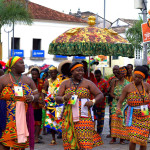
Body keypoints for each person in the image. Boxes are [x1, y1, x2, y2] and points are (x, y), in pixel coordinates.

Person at [56, 62, 104, 150]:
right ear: (72, 72)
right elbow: (57, 98)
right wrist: (64, 98)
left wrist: (93, 101)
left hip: (84, 117)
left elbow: (100, 94)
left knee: (85, 143)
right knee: (70, 143)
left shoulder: (87, 83)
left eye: (82, 71)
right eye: (78, 71)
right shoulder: (65, 83)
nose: (81, 73)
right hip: (69, 117)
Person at [0, 56, 39, 150]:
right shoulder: (3, 79)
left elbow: (37, 94)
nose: (23, 65)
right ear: (13, 66)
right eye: (21, 63)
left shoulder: (28, 80)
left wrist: (32, 97)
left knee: (20, 144)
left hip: (23, 117)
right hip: (6, 117)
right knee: (4, 144)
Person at [117, 66, 150, 150]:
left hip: (144, 112)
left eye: (140, 77)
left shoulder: (146, 86)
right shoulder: (127, 87)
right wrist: (118, 109)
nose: (137, 79)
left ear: (143, 78)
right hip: (132, 114)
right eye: (136, 76)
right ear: (133, 74)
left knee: (143, 139)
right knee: (133, 138)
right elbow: (120, 101)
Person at [42, 66, 64, 145]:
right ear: (49, 73)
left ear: (57, 73)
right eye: (51, 72)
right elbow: (43, 91)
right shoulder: (47, 81)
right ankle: (53, 139)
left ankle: (63, 136)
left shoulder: (60, 81)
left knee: (59, 120)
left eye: (55, 72)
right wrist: (43, 101)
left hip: (59, 103)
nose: (53, 74)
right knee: (51, 121)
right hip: (49, 104)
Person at [109, 66, 129, 144]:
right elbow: (111, 93)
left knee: (122, 121)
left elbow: (129, 94)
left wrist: (123, 98)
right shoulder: (114, 82)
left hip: (124, 104)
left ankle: (121, 139)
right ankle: (113, 138)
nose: (117, 75)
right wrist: (117, 97)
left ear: (123, 74)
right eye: (117, 73)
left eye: (119, 73)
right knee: (114, 119)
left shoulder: (127, 83)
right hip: (115, 103)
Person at [31, 66, 44, 144]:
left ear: (38, 74)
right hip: (31, 105)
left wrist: (42, 100)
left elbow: (42, 92)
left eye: (35, 74)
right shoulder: (29, 82)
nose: (34, 76)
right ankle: (31, 137)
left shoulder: (41, 82)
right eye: (33, 74)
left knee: (38, 121)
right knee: (31, 121)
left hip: (39, 105)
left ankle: (36, 137)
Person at [94, 69, 109, 134]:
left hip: (101, 103)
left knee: (101, 119)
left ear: (100, 75)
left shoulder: (104, 82)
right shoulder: (93, 81)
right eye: (96, 76)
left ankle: (99, 132)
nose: (97, 78)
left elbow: (107, 92)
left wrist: (101, 95)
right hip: (93, 103)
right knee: (94, 118)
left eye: (98, 76)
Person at [106, 65, 119, 138]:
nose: (115, 71)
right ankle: (112, 133)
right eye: (114, 70)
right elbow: (107, 90)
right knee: (112, 117)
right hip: (112, 101)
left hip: (122, 101)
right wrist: (110, 86)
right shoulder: (111, 79)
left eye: (116, 69)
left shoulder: (123, 79)